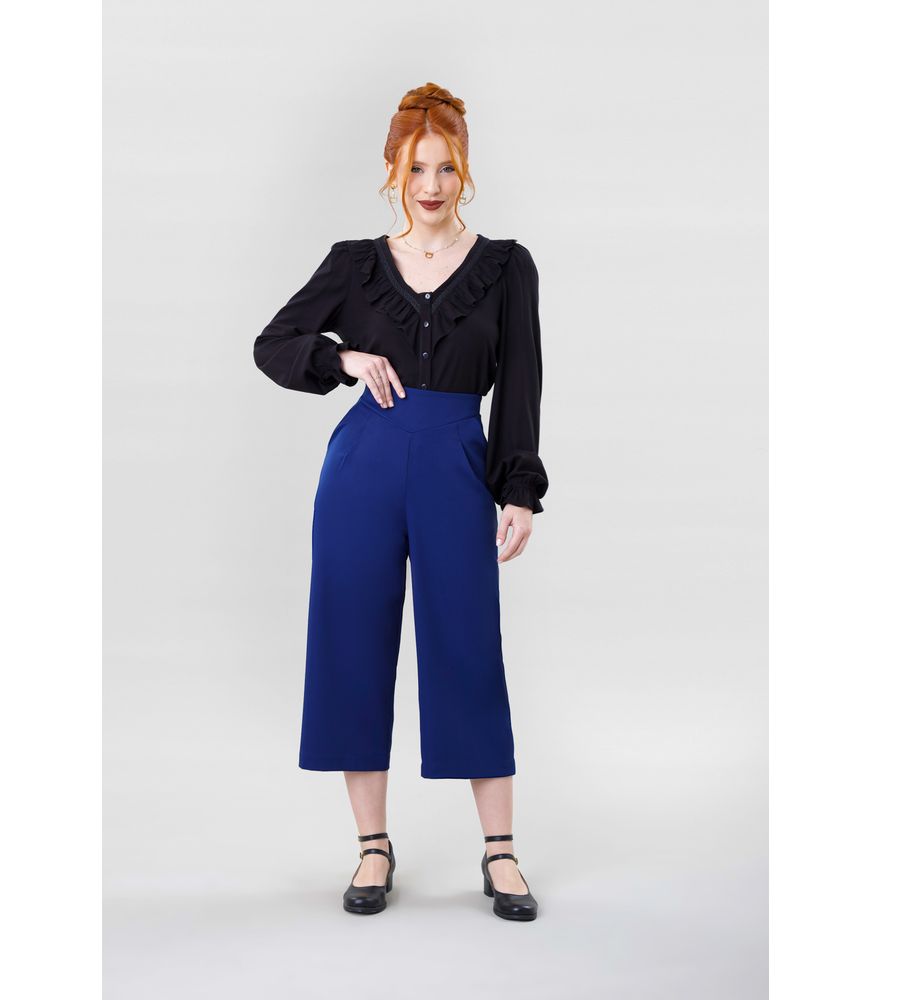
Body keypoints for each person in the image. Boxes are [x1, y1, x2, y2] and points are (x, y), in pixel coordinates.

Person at [252, 83, 547, 921]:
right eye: (416, 168)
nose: (431, 185)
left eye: (445, 168)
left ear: (466, 172)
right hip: (364, 466)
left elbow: (521, 385)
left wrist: (517, 489)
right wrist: (343, 359)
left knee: (468, 647)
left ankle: (501, 851)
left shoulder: (505, 267)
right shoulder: (354, 264)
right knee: (352, 644)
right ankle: (373, 847)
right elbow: (274, 344)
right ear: (393, 171)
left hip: (456, 463)